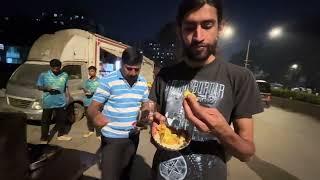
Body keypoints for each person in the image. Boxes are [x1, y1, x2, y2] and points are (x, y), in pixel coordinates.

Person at [148, 0, 264, 179]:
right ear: (179, 30)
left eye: (207, 25)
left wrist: (222, 130)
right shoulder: (165, 75)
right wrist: (150, 121)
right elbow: (152, 122)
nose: (198, 36)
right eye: (189, 27)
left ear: (220, 28)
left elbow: (247, 153)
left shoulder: (240, 77)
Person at [88, 47, 149, 180]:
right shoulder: (108, 80)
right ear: (122, 64)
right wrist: (96, 116)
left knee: (126, 173)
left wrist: (144, 118)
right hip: (112, 138)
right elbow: (92, 108)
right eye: (129, 68)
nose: (133, 73)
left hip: (133, 137)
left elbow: (145, 105)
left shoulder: (143, 82)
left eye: (137, 69)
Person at [37, 59, 72, 144]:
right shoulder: (44, 75)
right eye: (54, 68)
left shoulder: (65, 75)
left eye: (58, 68)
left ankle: (61, 135)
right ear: (51, 67)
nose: (56, 70)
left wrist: (68, 97)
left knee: (61, 119)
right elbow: (38, 86)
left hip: (61, 102)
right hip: (48, 102)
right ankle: (44, 139)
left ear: (60, 67)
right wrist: (46, 88)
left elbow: (66, 87)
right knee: (45, 121)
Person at [82, 66, 101, 138]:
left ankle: (98, 134)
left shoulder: (99, 81)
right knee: (89, 118)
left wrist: (93, 93)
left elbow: (101, 92)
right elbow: (85, 89)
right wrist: (86, 91)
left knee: (96, 118)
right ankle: (91, 131)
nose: (91, 72)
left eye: (92, 71)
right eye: (90, 71)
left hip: (95, 103)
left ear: (95, 72)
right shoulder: (87, 81)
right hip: (87, 102)